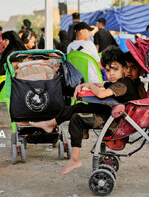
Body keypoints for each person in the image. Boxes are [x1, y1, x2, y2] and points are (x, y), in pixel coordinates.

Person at [30, 46, 139, 175]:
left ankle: (75, 159)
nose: (111, 74)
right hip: (113, 116)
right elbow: (102, 85)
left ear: (124, 68)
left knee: (77, 118)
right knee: (78, 107)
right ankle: (51, 124)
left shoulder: (124, 84)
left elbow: (100, 94)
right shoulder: (120, 82)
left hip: (116, 123)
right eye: (108, 70)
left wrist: (90, 86)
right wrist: (83, 85)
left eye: (116, 69)